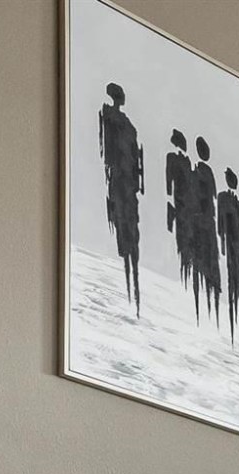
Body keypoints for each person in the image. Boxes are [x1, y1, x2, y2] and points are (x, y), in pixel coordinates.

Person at [97, 84, 143, 311]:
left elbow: (134, 156)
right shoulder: (110, 116)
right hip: (118, 178)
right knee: (122, 222)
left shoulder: (128, 126)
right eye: (120, 96)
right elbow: (106, 149)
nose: (122, 98)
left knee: (132, 227)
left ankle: (133, 277)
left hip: (128, 183)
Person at [189, 138, 222, 324]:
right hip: (201, 223)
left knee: (208, 263)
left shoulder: (206, 173)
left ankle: (210, 304)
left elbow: (213, 198)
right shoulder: (198, 173)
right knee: (200, 262)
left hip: (207, 223)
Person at [216, 170, 239, 335]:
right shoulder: (223, 199)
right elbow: (221, 224)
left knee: (237, 278)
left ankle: (237, 310)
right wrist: (222, 242)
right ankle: (231, 310)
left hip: (237, 245)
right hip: (229, 243)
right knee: (230, 276)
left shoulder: (237, 203)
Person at [164, 131, 194, 297]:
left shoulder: (187, 161)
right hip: (179, 202)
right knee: (182, 239)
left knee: (187, 239)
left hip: (186, 206)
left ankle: (186, 272)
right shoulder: (172, 158)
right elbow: (169, 180)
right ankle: (183, 274)